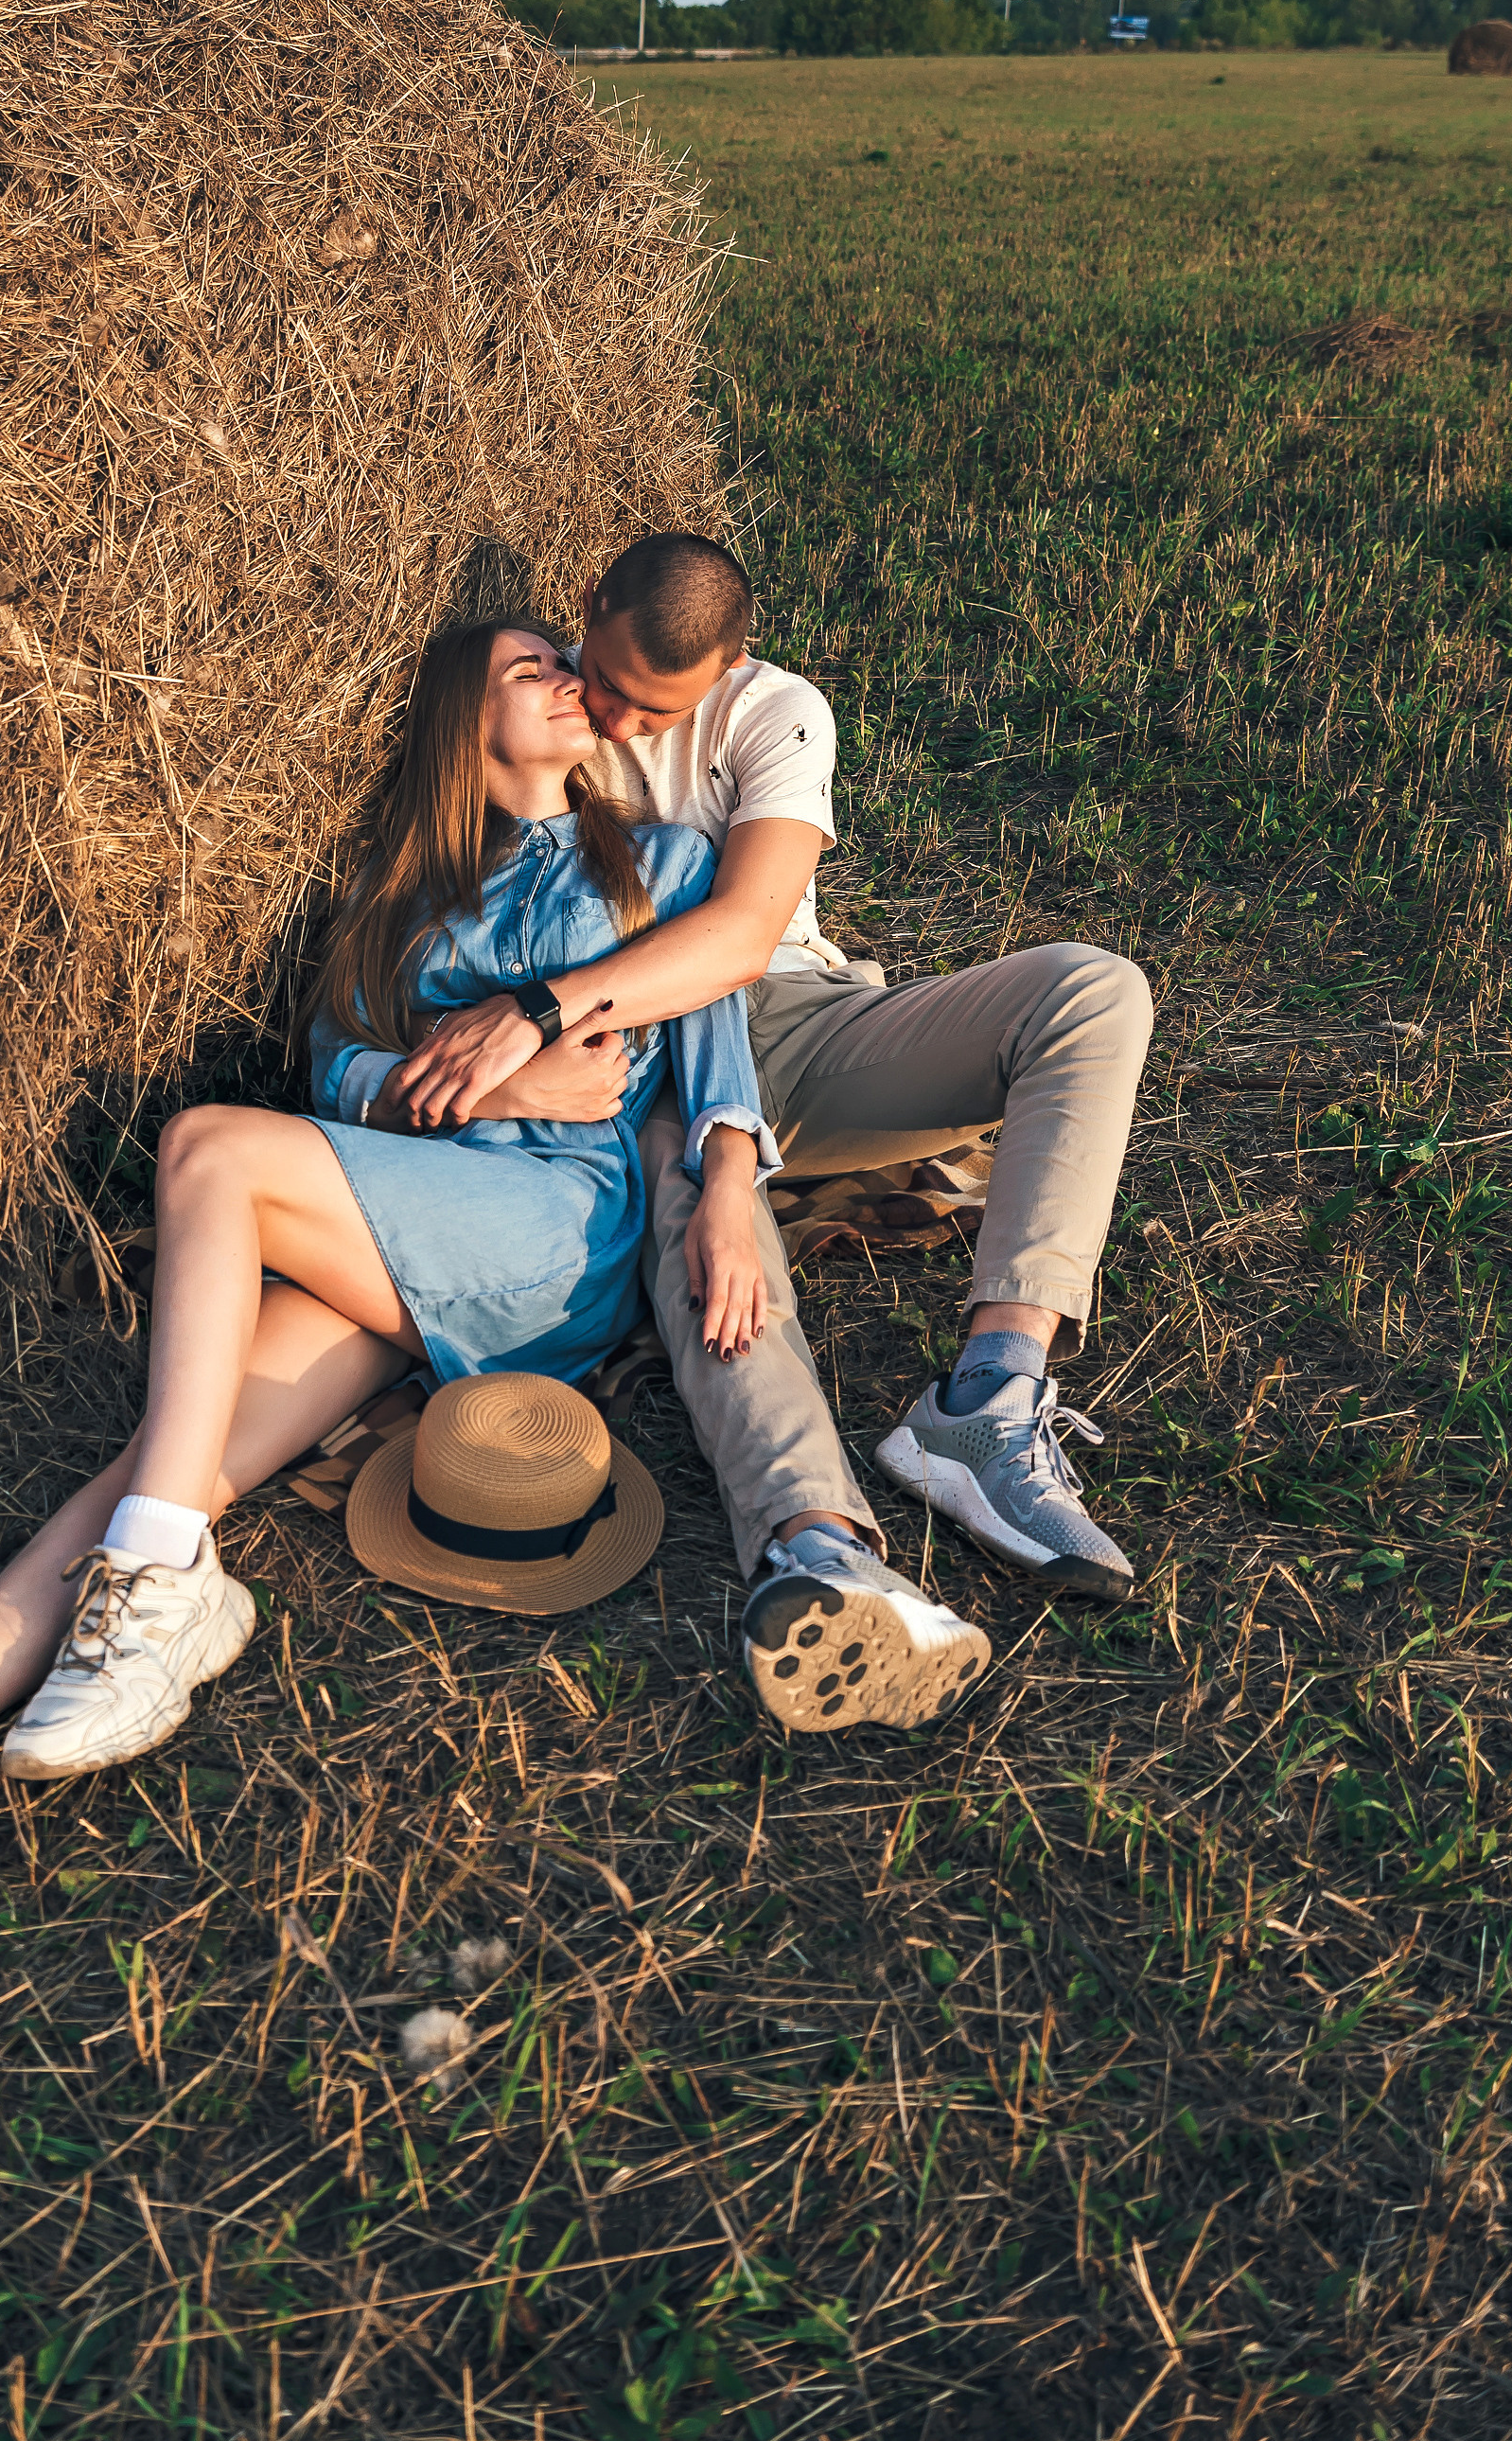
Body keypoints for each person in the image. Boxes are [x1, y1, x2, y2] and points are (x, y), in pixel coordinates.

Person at [0, 622, 992, 1871]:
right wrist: (498, 1082)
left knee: (211, 1152)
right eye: (533, 665)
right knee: (177, 1445)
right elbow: (339, 1074)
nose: (572, 676)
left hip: (546, 1234)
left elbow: (719, 1062)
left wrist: (728, 1201)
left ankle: (165, 1592)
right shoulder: (399, 898)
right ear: (465, 716)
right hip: (402, 1220)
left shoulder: (664, 864)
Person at [387, 534, 1155, 1639]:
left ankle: (986, 1400)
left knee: (1093, 988)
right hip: (634, 1067)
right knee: (717, 1238)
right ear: (588, 603)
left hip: (792, 1021)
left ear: (730, 669)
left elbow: (742, 935)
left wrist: (539, 1006)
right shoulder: (538, 704)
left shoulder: (778, 713)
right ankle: (812, 1540)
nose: (616, 720)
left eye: (654, 709)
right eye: (602, 681)